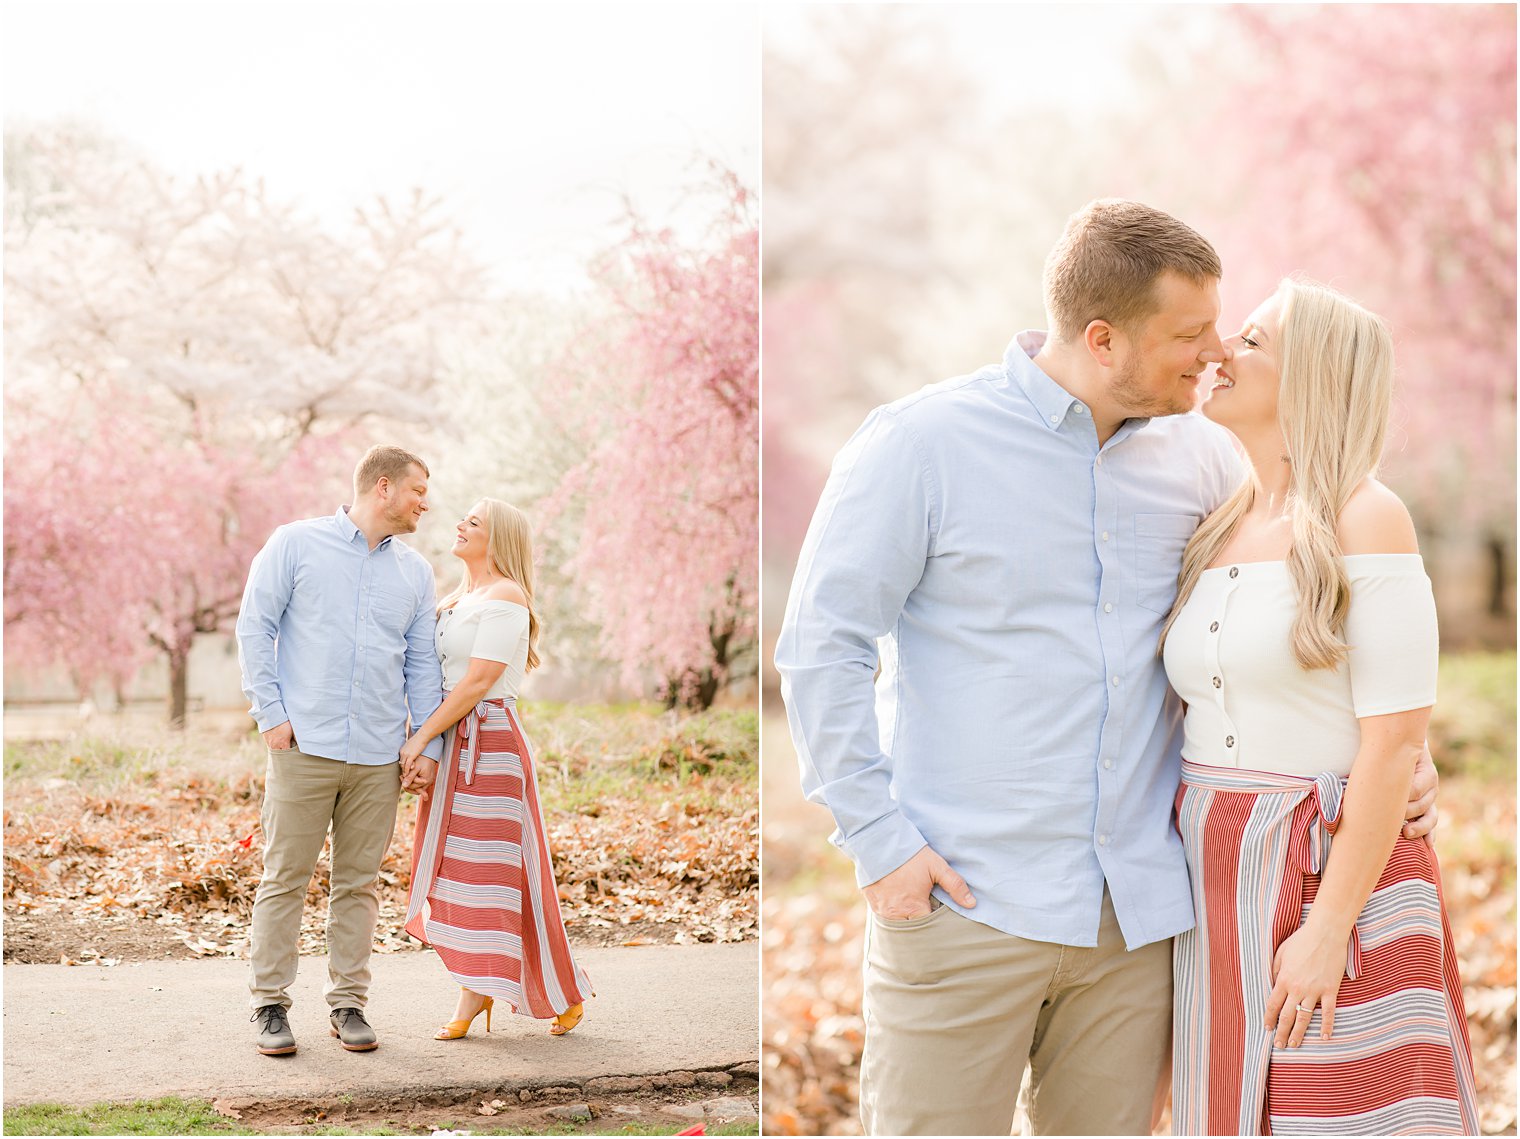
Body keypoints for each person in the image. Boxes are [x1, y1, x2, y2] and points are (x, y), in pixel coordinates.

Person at [774, 200, 1439, 1136]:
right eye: (1191, 333)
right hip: (968, 903)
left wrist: (1398, 759)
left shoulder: (1209, 465)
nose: (1215, 353)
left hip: (1140, 924)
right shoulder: (921, 444)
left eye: (1226, 330)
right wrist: (880, 843)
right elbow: (820, 643)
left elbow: (1289, 632)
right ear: (1101, 337)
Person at [1161, 279, 1478, 1135]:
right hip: (1213, 872)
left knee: (1333, 1110)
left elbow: (1393, 743)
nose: (1223, 349)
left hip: (1334, 874)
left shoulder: (1370, 518)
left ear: (1311, 379)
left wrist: (1328, 925)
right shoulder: (1213, 524)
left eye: (1254, 340)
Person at [237, 444, 445, 1056]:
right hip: (304, 746)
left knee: (358, 885)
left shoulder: (416, 571)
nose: (424, 503)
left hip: (380, 756)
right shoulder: (295, 543)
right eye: (417, 491)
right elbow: (255, 626)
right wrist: (270, 716)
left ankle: (349, 1004)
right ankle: (269, 1006)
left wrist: (424, 742)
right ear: (383, 488)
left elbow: (422, 663)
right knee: (285, 879)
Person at [399, 497, 592, 1040]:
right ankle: (477, 984)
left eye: (474, 522)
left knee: (498, 875)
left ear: (499, 539)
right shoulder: (458, 598)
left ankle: (556, 990)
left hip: (490, 747)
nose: (459, 525)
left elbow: (479, 682)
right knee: (460, 873)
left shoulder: (506, 597)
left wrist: (421, 737)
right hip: (454, 740)